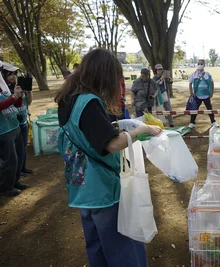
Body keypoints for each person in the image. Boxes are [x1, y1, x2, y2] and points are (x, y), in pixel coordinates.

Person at [55, 49, 162, 266]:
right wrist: (142, 131)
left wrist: (119, 125)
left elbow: (88, 132)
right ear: (103, 75)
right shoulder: (89, 101)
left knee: (96, 245)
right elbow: (112, 144)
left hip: (82, 187)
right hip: (103, 188)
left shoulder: (68, 98)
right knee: (124, 244)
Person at [0, 61, 29, 196]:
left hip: (14, 125)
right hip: (3, 131)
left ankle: (14, 180)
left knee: (18, 156)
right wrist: (13, 97)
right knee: (9, 160)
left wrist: (19, 95)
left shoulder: (4, 87)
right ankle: (6, 187)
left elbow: (17, 105)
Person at [2, 64, 34, 174]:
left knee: (22, 149)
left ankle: (21, 170)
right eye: (9, 74)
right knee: (11, 155)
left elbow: (20, 104)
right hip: (7, 127)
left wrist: (24, 94)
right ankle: (11, 181)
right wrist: (14, 96)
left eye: (15, 74)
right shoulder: (4, 90)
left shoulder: (15, 87)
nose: (13, 76)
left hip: (19, 123)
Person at [188, 59, 217, 129]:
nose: (200, 65)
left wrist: (212, 92)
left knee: (209, 109)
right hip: (197, 95)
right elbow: (190, 83)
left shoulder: (207, 74)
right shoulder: (194, 74)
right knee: (195, 109)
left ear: (204, 65)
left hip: (206, 95)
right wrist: (191, 93)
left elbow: (212, 83)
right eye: (199, 64)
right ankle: (192, 122)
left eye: (201, 64)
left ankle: (213, 122)